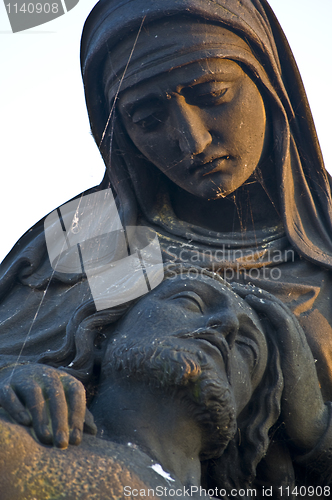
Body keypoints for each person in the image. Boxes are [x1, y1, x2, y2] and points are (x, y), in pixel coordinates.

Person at [0, 0, 332, 481]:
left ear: (267, 80)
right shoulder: (98, 236)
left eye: (212, 94)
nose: (191, 141)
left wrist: (315, 429)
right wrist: (15, 382)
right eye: (148, 119)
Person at [0, 268, 321, 497]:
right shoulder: (18, 450)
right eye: (189, 300)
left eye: (247, 348)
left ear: (246, 411)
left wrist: (316, 430)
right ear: (100, 337)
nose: (225, 326)